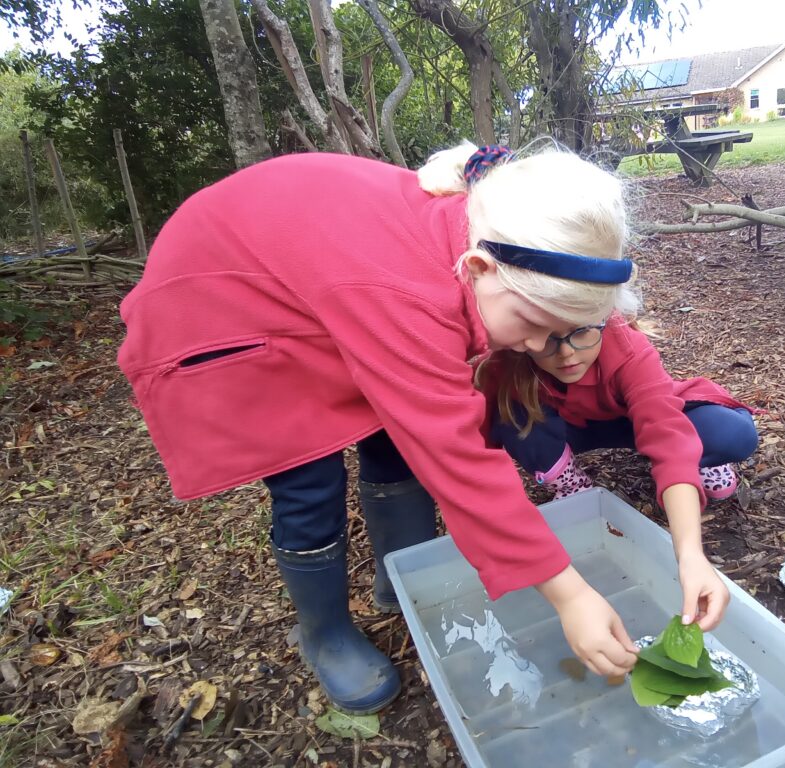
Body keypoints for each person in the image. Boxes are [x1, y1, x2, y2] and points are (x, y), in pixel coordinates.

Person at [117, 142, 642, 716]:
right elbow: (454, 454)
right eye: (536, 325)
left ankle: (405, 584)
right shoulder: (402, 289)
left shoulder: (476, 237)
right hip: (225, 312)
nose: (540, 347)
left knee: (394, 441)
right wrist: (570, 596)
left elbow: (426, 421)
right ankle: (325, 634)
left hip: (322, 288)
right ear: (479, 269)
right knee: (307, 481)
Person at [476, 315, 759, 632]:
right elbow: (476, 447)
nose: (566, 353)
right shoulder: (507, 364)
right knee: (511, 415)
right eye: (548, 338)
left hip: (634, 419)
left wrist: (690, 554)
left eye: (580, 332)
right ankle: (569, 483)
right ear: (523, 337)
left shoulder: (627, 346)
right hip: (572, 428)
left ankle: (702, 461)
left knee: (732, 434)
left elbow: (666, 433)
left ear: (600, 321)